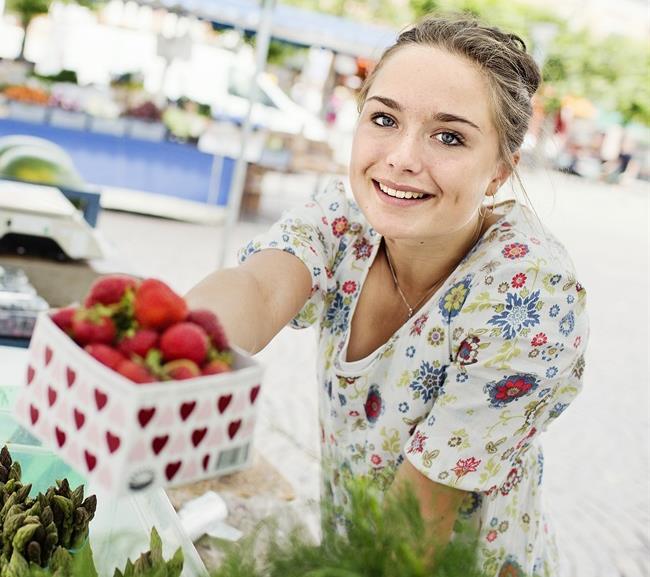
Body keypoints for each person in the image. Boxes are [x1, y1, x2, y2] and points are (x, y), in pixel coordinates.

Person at [186, 15, 589, 577]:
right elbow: (258, 287)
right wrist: (167, 347)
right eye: (384, 118)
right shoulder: (347, 216)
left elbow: (414, 527)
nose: (401, 157)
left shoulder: (529, 301)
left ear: (499, 172)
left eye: (448, 136)